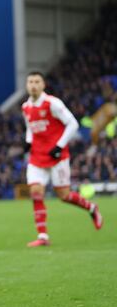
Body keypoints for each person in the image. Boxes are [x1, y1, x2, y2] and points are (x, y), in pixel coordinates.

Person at [22, 71, 103, 247]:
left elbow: (73, 123)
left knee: (64, 195)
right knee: (36, 192)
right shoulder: (25, 107)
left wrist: (59, 146)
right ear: (27, 85)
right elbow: (30, 127)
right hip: (37, 156)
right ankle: (43, 236)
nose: (33, 85)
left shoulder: (53, 103)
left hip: (57, 156)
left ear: (43, 85)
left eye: (37, 81)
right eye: (30, 82)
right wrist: (28, 141)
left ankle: (92, 208)